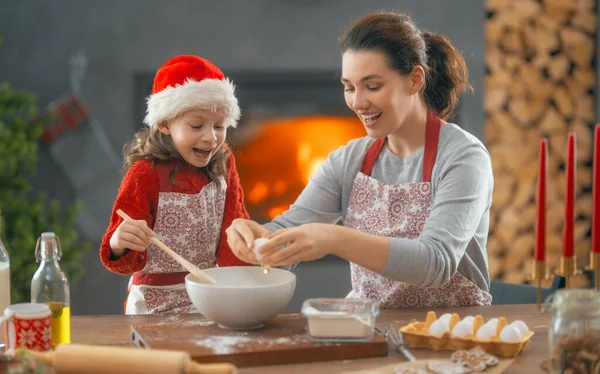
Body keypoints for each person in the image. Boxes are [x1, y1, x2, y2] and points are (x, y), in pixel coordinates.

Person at [226, 11, 494, 308]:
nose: (357, 102)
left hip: (449, 333)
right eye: (349, 87)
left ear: (415, 80)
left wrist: (334, 239)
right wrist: (258, 240)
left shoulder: (464, 157)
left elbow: (435, 262)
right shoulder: (349, 160)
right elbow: (290, 228)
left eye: (373, 86)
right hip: (367, 327)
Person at [100, 55, 250, 314]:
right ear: (165, 123)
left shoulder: (224, 163)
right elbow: (122, 257)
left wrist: (244, 276)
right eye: (196, 125)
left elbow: (233, 231)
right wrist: (118, 243)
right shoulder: (144, 174)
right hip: (154, 303)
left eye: (219, 125)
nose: (211, 137)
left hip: (209, 295)